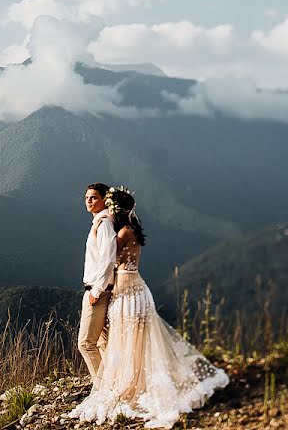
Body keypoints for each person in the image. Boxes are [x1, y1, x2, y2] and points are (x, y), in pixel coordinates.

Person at [69, 186, 229, 429]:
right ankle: (127, 378)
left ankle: (117, 384)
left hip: (125, 291)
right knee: (129, 338)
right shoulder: (129, 230)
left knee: (122, 338)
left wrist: (96, 289)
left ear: (116, 209)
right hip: (133, 288)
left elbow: (107, 260)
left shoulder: (119, 232)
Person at [78, 182, 117, 385]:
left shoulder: (104, 225)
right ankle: (111, 384)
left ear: (104, 199)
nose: (88, 201)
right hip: (96, 289)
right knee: (102, 342)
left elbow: (108, 259)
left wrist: (96, 290)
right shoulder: (99, 222)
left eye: (93, 197)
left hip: (98, 291)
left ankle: (102, 389)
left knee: (86, 344)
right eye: (86, 198)